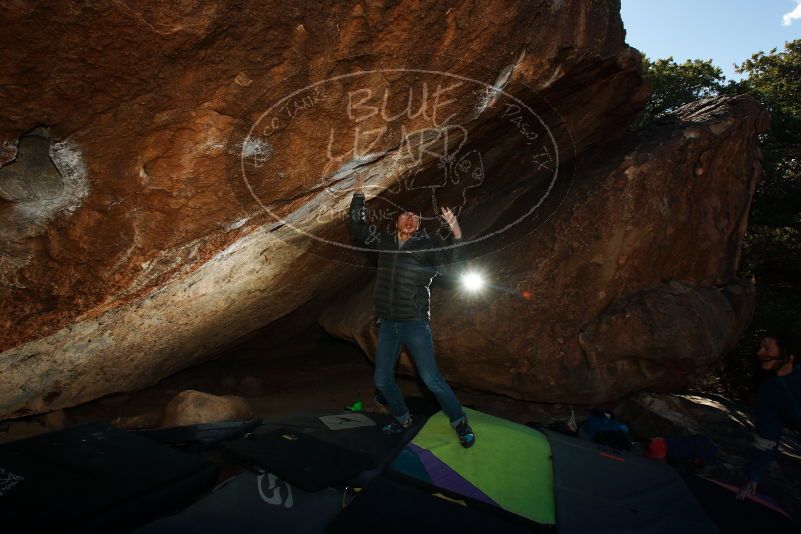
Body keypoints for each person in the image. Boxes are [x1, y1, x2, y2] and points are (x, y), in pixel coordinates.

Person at [348, 174, 475, 448]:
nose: (410, 219)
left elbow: (453, 264)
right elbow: (358, 227)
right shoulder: (383, 241)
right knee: (382, 381)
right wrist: (358, 197)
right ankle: (403, 419)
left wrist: (456, 233)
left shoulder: (425, 247)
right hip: (388, 324)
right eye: (405, 215)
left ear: (418, 226)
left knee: (431, 379)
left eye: (416, 218)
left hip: (414, 323)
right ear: (397, 221)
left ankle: (460, 422)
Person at [736, 330, 801, 500]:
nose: (760, 353)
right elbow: (767, 435)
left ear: (789, 355)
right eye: (760, 348)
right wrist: (754, 478)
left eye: (767, 348)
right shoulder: (768, 391)